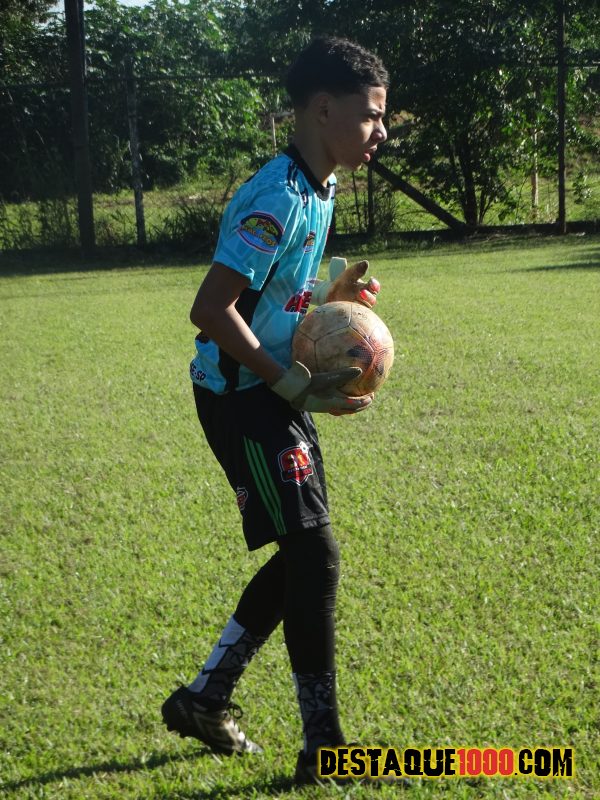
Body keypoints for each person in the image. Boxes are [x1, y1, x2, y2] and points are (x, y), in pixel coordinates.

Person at [161, 36, 388, 784]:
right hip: (241, 395)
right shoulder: (278, 196)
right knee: (314, 554)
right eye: (370, 115)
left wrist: (332, 301)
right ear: (323, 110)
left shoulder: (320, 187)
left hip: (270, 389)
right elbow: (211, 309)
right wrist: (285, 382)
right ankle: (325, 747)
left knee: (302, 551)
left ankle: (204, 698)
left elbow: (276, 295)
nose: (381, 130)